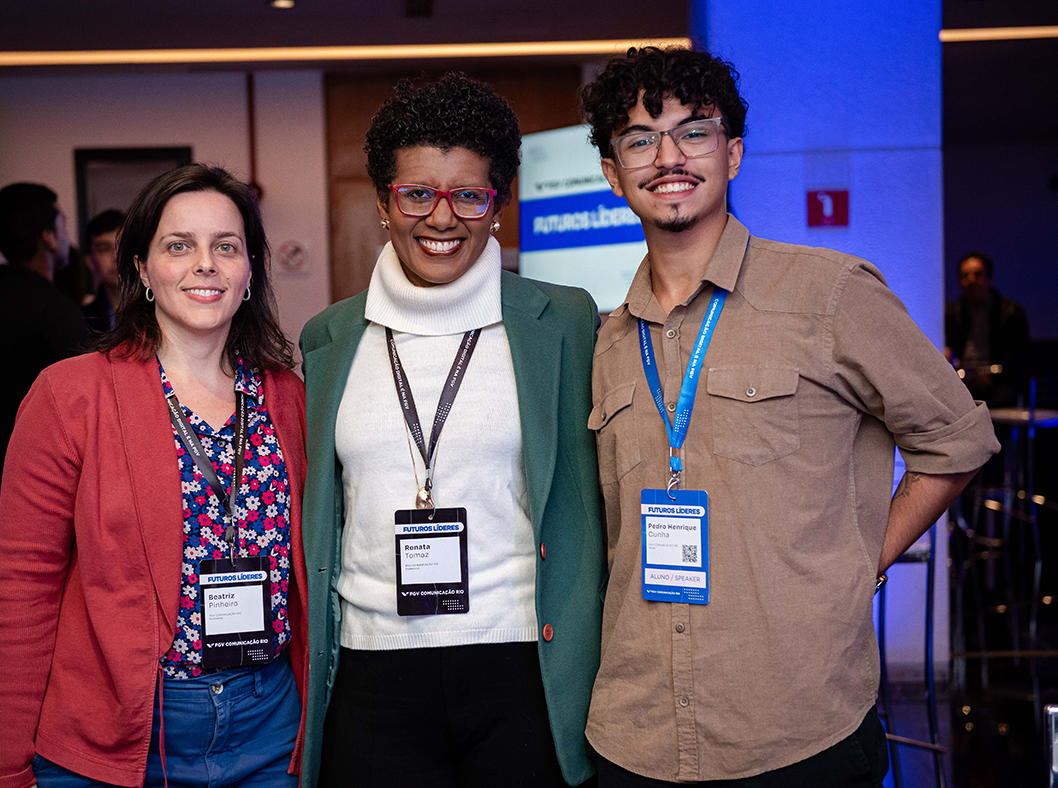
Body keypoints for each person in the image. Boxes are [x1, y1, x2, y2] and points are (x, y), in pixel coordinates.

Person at [579, 46, 999, 787]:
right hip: (632, 732)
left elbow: (956, 440)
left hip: (796, 726)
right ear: (613, 175)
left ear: (732, 154)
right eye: (639, 139)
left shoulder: (828, 293)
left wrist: (858, 559)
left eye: (693, 131)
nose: (667, 156)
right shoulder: (607, 341)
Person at [298, 73, 604, 788]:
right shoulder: (328, 338)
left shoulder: (563, 322)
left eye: (468, 194)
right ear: (383, 201)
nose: (442, 217)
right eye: (416, 193)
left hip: (522, 662)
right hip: (371, 667)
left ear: (496, 203)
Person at [0, 164, 309, 788]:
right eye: (179, 246)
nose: (205, 264)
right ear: (140, 269)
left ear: (249, 273)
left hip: (270, 729)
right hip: (118, 733)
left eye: (226, 247)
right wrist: (2, 768)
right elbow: (23, 595)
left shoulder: (288, 396)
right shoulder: (70, 395)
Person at [0, 183, 89, 534]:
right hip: (27, 487)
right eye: (63, 224)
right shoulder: (58, 312)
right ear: (49, 238)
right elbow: (86, 410)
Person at [945, 252, 1030, 407]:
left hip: (999, 380)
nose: (971, 280)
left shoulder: (1010, 312)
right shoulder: (951, 312)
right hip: (961, 378)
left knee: (1000, 398)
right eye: (965, 276)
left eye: (977, 274)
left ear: (989, 279)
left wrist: (992, 377)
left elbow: (1018, 356)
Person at [82, 208, 126, 335]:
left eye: (123, 246)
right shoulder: (81, 320)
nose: (116, 257)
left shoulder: (161, 311)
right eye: (105, 249)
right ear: (90, 261)